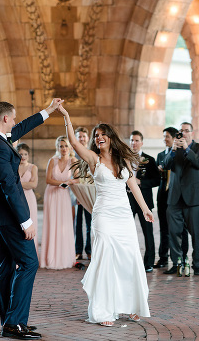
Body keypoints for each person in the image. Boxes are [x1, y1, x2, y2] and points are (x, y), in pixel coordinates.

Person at [59, 105, 151, 327]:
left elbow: (134, 187)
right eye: (96, 135)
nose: (99, 138)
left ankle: (132, 306)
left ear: (110, 137)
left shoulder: (123, 160)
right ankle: (104, 311)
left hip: (123, 215)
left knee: (129, 258)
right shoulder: (93, 158)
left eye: (102, 135)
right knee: (106, 259)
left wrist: (146, 208)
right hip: (104, 216)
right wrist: (67, 117)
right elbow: (73, 142)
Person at [0, 99, 62, 339]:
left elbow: (22, 127)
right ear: (5, 118)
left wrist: (47, 110)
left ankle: (9, 319)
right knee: (29, 263)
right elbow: (9, 188)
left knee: (6, 266)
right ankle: (14, 323)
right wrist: (26, 221)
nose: (15, 122)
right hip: (9, 216)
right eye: (13, 118)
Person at [164, 122, 199, 277]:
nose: (183, 133)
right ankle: (178, 264)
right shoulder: (174, 149)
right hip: (175, 198)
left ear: (192, 133)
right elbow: (165, 164)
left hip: (193, 199)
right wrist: (173, 150)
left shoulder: (196, 148)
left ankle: (197, 265)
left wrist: (187, 149)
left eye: (186, 131)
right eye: (181, 131)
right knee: (174, 234)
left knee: (196, 234)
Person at [40, 136, 77, 269]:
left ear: (70, 147)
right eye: (61, 146)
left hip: (64, 196)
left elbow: (78, 179)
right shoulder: (52, 161)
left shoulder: (73, 161)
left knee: (64, 224)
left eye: (66, 146)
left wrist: (70, 182)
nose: (63, 149)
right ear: (58, 148)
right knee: (52, 224)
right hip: (52, 194)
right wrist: (63, 183)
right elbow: (48, 180)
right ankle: (50, 258)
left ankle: (64, 257)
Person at [155, 127, 188, 269]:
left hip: (177, 195)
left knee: (180, 228)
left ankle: (182, 258)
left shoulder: (182, 153)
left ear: (174, 137)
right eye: (163, 136)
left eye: (167, 136)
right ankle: (163, 257)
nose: (164, 139)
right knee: (163, 227)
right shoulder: (161, 154)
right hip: (163, 194)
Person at [127, 130, 160, 272]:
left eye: (136, 140)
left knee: (147, 232)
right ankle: (128, 262)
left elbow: (157, 180)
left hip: (144, 201)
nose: (133, 143)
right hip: (127, 200)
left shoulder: (149, 160)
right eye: (131, 140)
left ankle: (149, 263)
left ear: (142, 142)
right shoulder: (124, 159)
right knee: (126, 232)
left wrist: (141, 182)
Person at [73, 127, 93, 260]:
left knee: (90, 223)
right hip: (75, 193)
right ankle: (78, 250)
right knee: (77, 223)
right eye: (79, 136)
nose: (82, 139)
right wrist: (77, 194)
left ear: (87, 138)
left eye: (83, 136)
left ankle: (89, 249)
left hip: (89, 193)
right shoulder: (72, 155)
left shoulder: (91, 154)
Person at [17, 143, 38, 251]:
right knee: (18, 226)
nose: (23, 156)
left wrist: (18, 185)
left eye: (25, 154)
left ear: (28, 155)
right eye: (21, 154)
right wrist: (26, 185)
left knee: (30, 224)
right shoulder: (13, 167)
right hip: (17, 198)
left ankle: (30, 252)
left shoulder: (33, 167)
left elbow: (34, 185)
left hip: (29, 198)